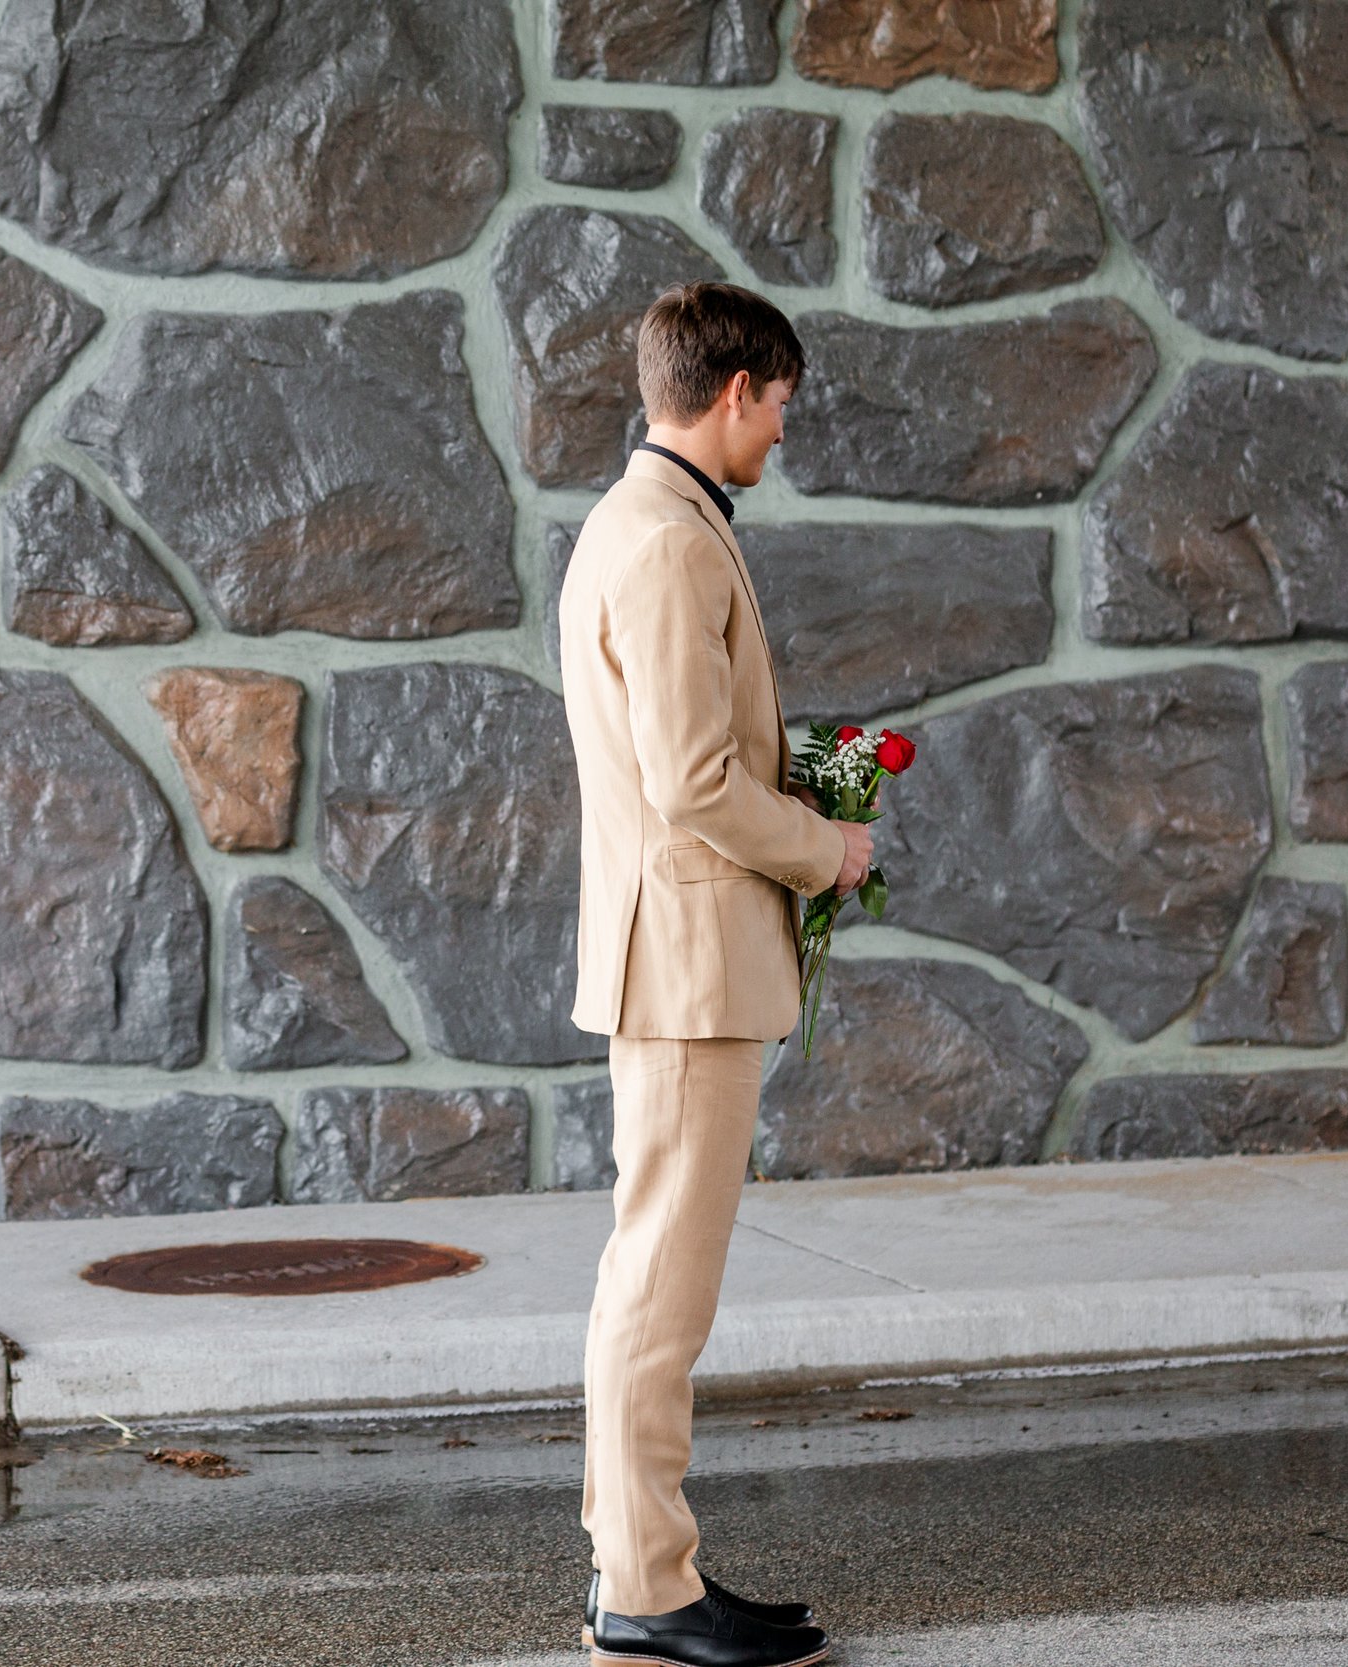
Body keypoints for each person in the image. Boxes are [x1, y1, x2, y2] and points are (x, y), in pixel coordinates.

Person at [557, 284, 872, 1667]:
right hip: (686, 966)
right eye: (781, 403)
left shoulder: (641, 522)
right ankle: (646, 1591)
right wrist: (826, 848)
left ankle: (644, 1566)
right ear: (735, 390)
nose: (783, 431)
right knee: (661, 1289)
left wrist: (803, 789)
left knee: (654, 1278)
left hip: (675, 955)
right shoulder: (669, 543)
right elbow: (691, 782)